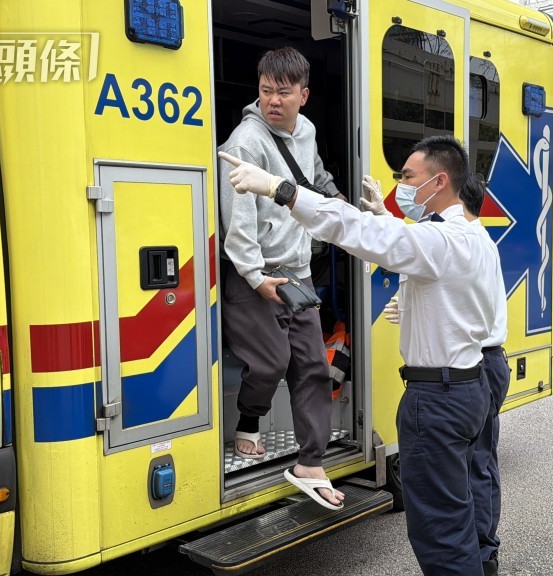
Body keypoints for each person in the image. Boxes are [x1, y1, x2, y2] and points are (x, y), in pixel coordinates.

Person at [219, 135, 498, 575]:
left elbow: (356, 230)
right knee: (462, 505)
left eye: (408, 176)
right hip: (469, 385)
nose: (401, 184)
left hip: (439, 400)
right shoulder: (473, 237)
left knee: (440, 531)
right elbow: (418, 256)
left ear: (440, 181)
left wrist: (281, 189)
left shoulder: (442, 241)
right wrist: (388, 223)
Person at [217, 46, 344, 510]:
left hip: (297, 271)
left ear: (303, 95)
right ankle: (249, 421)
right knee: (270, 362)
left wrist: (335, 198)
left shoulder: (306, 131)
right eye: (266, 90)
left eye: (283, 93)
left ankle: (311, 463)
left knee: (312, 366)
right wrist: (254, 275)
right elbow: (238, 218)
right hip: (254, 272)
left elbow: (312, 175)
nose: (273, 100)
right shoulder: (244, 142)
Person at [364, 175, 509, 576]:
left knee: (470, 471)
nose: (413, 191)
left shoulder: (459, 239)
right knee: (475, 467)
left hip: (473, 364)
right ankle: (482, 554)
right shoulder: (475, 239)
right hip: (482, 365)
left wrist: (378, 217)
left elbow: (411, 246)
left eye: (413, 180)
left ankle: (479, 554)